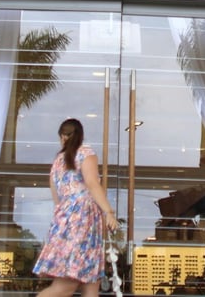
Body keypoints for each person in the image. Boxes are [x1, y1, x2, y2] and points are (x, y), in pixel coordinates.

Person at [33, 118, 119, 297]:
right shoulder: (86, 153)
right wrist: (108, 212)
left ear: (61, 137)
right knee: (67, 285)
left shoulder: (57, 162)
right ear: (80, 135)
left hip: (64, 221)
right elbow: (92, 183)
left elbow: (56, 196)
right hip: (83, 221)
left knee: (90, 283)